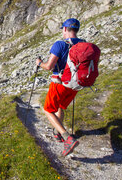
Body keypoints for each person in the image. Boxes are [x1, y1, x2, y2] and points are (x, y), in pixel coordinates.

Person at [35, 18, 83, 156]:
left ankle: (67, 137)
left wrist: (39, 63)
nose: (62, 31)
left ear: (65, 29)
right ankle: (58, 133)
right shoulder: (83, 44)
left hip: (60, 83)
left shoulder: (60, 44)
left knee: (48, 110)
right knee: (61, 106)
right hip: (74, 84)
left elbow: (49, 66)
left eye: (63, 29)